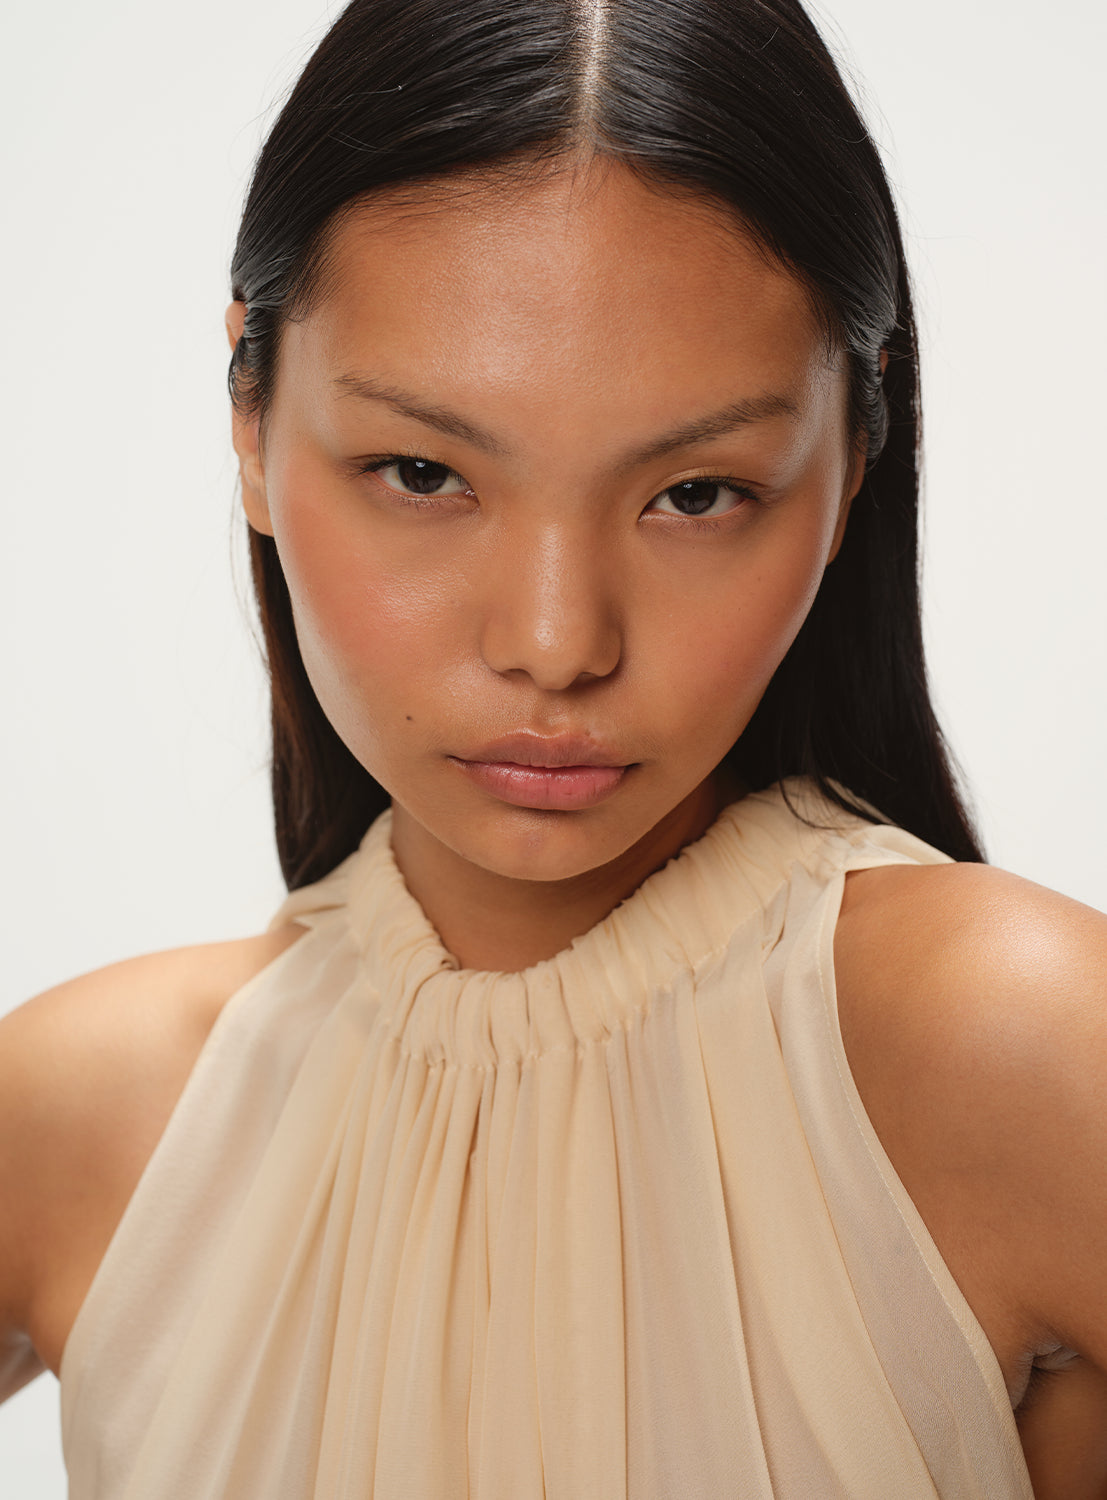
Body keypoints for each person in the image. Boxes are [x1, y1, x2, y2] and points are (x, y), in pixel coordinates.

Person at [1, 0, 1104, 1494]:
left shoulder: (1015, 1046)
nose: (555, 638)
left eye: (698, 493)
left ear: (854, 461)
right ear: (251, 421)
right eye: (421, 471)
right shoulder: (81, 1119)